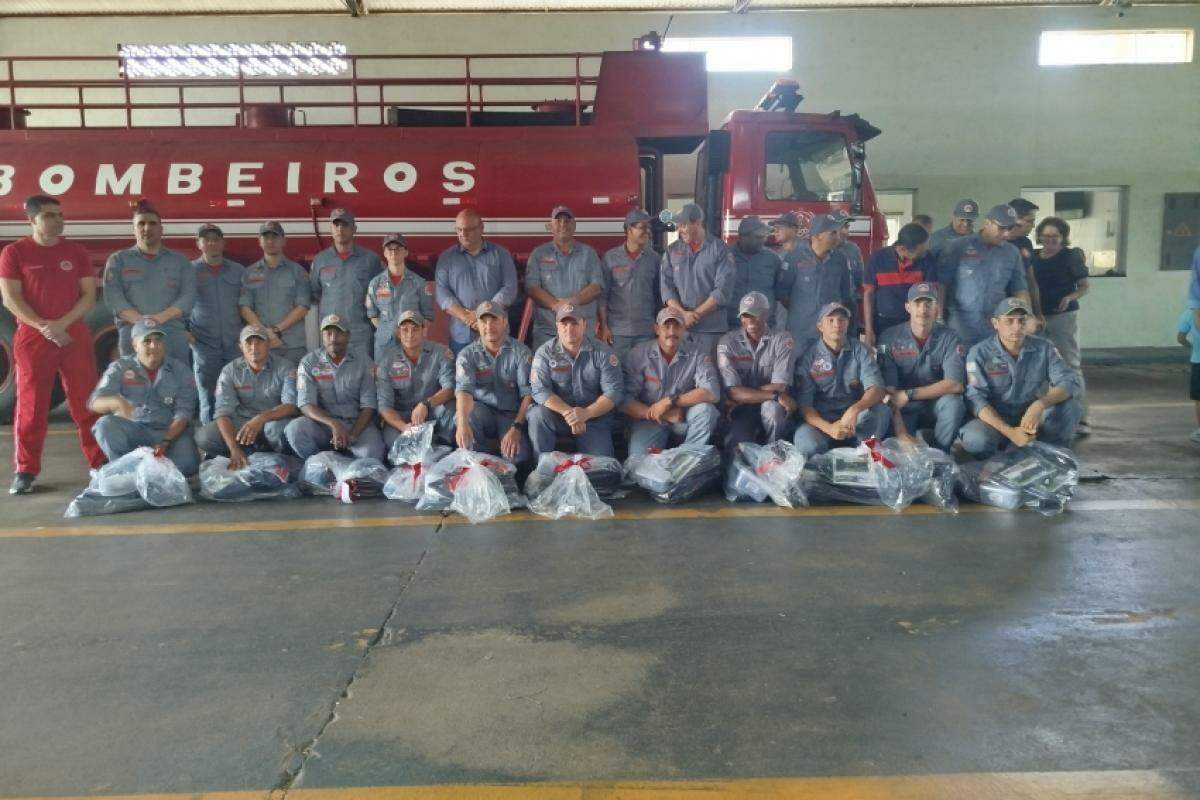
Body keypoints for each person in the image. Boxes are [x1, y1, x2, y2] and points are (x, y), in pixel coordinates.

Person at [0, 194, 106, 494]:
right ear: (32, 219)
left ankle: (98, 463)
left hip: (73, 335)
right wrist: (44, 327)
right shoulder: (15, 253)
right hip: (34, 338)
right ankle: (25, 470)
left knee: (85, 402)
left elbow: (87, 296)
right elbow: (11, 298)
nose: (59, 220)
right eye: (50, 215)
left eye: (60, 214)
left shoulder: (76, 251)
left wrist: (61, 324)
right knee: (31, 407)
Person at [959, 297, 1082, 458]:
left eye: (1022, 321)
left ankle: (1050, 456)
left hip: (1030, 419)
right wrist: (1010, 432)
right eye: (1009, 321)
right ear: (995, 323)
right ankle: (994, 462)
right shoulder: (979, 353)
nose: (1016, 327)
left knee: (1070, 407)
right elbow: (975, 399)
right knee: (976, 439)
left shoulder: (1044, 348)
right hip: (994, 421)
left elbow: (1069, 382)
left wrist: (1039, 405)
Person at [89, 318, 199, 476]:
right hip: (135, 430)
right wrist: (117, 402)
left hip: (168, 432)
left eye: (158, 340)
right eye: (147, 341)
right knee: (104, 425)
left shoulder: (180, 370)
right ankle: (126, 470)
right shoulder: (120, 367)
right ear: (135, 345)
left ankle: (146, 471)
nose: (153, 346)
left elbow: (184, 413)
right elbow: (95, 402)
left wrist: (166, 441)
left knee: (187, 466)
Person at [792, 302, 889, 458]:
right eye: (830, 320)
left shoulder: (860, 350)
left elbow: (877, 389)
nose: (837, 324)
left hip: (854, 422)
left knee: (882, 411)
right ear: (820, 326)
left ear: (847, 324)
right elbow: (805, 406)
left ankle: (863, 451)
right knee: (806, 444)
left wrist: (855, 409)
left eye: (842, 320)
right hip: (821, 424)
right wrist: (829, 428)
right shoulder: (808, 358)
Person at [877, 283, 966, 452]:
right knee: (902, 450)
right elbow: (889, 392)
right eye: (917, 303)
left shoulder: (951, 337)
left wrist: (909, 394)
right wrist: (902, 434)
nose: (923, 309)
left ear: (937, 308)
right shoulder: (889, 337)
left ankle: (941, 455)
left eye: (928, 304)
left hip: (934, 403)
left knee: (954, 405)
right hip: (902, 409)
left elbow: (955, 384)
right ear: (908, 307)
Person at [194, 325, 298, 467]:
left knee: (279, 430)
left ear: (269, 344)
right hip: (243, 423)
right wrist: (234, 449)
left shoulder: (286, 367)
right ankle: (246, 455)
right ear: (241, 347)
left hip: (273, 422)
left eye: (259, 341)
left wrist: (261, 418)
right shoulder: (230, 370)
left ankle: (279, 461)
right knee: (204, 436)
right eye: (248, 342)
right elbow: (223, 412)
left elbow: (291, 406)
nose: (254, 347)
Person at [284, 314, 385, 461]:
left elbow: (369, 405)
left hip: (358, 425)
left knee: (371, 455)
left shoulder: (364, 361)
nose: (333, 338)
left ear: (348, 335)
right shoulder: (309, 362)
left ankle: (347, 464)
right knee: (294, 430)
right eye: (328, 333)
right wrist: (333, 423)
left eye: (338, 333)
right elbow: (305, 404)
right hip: (324, 425)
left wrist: (352, 435)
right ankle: (321, 464)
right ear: (322, 336)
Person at [622, 307, 721, 456]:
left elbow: (712, 392)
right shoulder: (638, 354)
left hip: (682, 417)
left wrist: (670, 401)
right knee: (638, 466)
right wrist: (661, 413)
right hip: (648, 421)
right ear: (656, 329)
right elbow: (625, 401)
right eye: (666, 326)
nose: (672, 331)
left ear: (684, 329)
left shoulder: (697, 353)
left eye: (677, 326)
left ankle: (687, 463)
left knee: (706, 411)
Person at [103, 200, 195, 361]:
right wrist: (142, 322)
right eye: (141, 224)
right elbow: (113, 298)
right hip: (133, 332)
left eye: (152, 223)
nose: (147, 228)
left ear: (161, 229)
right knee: (134, 383)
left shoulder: (180, 261)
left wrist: (159, 319)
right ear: (134, 229)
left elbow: (188, 296)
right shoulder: (118, 260)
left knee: (176, 382)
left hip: (171, 333)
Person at [528, 304, 623, 458]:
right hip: (558, 416)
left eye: (574, 323)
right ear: (557, 326)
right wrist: (569, 413)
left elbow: (614, 392)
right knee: (536, 414)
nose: (569, 328)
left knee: (601, 468)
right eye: (564, 324)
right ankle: (541, 467)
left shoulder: (603, 352)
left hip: (593, 419)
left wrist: (586, 413)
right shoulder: (544, 353)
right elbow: (539, 390)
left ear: (584, 325)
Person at [935, 204, 1030, 347]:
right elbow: (942, 283)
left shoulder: (1012, 252)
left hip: (997, 324)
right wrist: (938, 318)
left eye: (1010, 229)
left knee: (996, 366)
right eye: (1001, 228)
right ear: (987, 223)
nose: (1006, 234)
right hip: (961, 324)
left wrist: (1027, 317)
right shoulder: (958, 247)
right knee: (960, 365)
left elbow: (1020, 288)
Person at [453, 301, 533, 464]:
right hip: (483, 413)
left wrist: (517, 427)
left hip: (511, 416)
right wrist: (462, 424)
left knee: (517, 459)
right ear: (477, 324)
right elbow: (464, 392)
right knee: (466, 417)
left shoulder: (521, 352)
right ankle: (482, 463)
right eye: (483, 321)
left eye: (494, 320)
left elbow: (529, 394)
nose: (488, 326)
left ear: (504, 322)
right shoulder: (466, 355)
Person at [1032, 217, 1091, 435]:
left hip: (1063, 317)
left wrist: (1070, 296)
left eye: (1054, 237)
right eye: (1045, 236)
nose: (1049, 241)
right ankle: (1041, 416)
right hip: (1038, 317)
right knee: (1038, 367)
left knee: (1069, 364)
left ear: (1063, 237)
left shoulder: (1070, 256)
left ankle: (1081, 418)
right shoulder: (1034, 258)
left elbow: (1085, 286)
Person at [717, 292, 796, 452]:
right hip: (742, 408)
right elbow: (733, 392)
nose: (751, 320)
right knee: (736, 448)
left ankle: (775, 454)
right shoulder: (728, 342)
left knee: (772, 410)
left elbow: (781, 386)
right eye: (746, 315)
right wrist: (774, 395)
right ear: (740, 318)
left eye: (756, 314)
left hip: (772, 407)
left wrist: (746, 394)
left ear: (766, 314)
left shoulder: (782, 339)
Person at [435, 209, 519, 355]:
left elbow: (510, 288)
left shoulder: (501, 254)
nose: (463, 234)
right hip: (461, 335)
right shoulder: (446, 258)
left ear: (481, 227)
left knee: (500, 376)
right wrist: (465, 316)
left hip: (496, 334)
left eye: (468, 229)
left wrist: (482, 314)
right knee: (463, 377)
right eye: (459, 229)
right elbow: (442, 293)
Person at [660, 203, 735, 358]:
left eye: (684, 225)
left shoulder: (719, 249)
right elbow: (666, 288)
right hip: (681, 329)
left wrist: (694, 315)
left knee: (709, 377)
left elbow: (722, 290)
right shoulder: (672, 250)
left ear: (698, 223)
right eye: (678, 226)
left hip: (711, 331)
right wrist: (683, 314)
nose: (680, 230)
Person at [525, 206, 605, 349]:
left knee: (584, 371)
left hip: (582, 332)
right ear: (550, 226)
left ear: (574, 225)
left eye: (567, 221)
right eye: (558, 221)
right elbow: (532, 287)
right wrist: (556, 306)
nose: (563, 224)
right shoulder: (538, 254)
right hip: (548, 331)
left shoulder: (588, 254)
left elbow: (596, 287)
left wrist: (572, 302)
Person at [376, 310, 456, 449]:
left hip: (430, 412)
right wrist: (404, 427)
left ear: (424, 331)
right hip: (401, 418)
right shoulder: (386, 361)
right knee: (396, 445)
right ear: (399, 334)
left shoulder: (441, 352)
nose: (410, 334)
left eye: (415, 329)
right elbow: (384, 406)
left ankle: (444, 447)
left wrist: (426, 404)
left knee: (451, 409)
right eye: (405, 330)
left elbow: (449, 389)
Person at [309, 208, 382, 359]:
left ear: (354, 229)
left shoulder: (370, 260)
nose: (340, 229)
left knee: (364, 378)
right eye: (336, 225)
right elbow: (315, 294)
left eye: (345, 225)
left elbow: (381, 297)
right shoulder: (320, 260)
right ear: (331, 228)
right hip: (331, 337)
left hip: (361, 336)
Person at [189, 223, 244, 424]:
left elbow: (246, 304)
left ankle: (236, 440)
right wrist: (187, 334)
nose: (212, 243)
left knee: (236, 395)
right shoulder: (190, 271)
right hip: (204, 346)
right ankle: (210, 446)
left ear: (223, 243)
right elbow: (179, 304)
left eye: (216, 238)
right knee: (208, 397)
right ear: (199, 244)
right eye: (206, 239)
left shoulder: (238, 271)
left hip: (234, 345)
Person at [238, 221, 311, 366]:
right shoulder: (250, 273)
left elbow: (303, 307)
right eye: (266, 237)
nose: (270, 241)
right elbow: (244, 308)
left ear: (284, 241)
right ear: (259, 241)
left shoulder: (298, 272)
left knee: (293, 386)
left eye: (275, 237)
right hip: (261, 346)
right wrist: (265, 333)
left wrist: (276, 330)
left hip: (292, 346)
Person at [780, 213, 856, 352]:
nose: (838, 236)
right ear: (817, 235)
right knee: (798, 369)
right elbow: (783, 293)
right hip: (801, 330)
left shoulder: (840, 259)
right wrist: (803, 309)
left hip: (830, 332)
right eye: (833, 233)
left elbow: (846, 295)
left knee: (828, 370)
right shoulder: (794, 257)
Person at [599, 208, 659, 359]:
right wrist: (604, 327)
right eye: (642, 227)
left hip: (646, 332)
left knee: (644, 378)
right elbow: (602, 296)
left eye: (648, 227)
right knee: (618, 375)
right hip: (617, 333)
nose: (647, 231)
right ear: (628, 230)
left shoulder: (654, 259)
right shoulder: (610, 258)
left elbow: (659, 296)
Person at [365, 233, 434, 362]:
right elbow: (373, 315)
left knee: (413, 379)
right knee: (383, 379)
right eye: (389, 249)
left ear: (406, 252)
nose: (393, 252)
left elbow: (427, 317)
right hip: (385, 344)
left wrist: (411, 334)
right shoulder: (375, 284)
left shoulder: (419, 283)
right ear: (384, 253)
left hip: (411, 344)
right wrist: (388, 330)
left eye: (398, 248)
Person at [862, 222, 933, 347]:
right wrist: (869, 331)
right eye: (920, 251)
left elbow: (931, 297)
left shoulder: (927, 260)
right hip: (883, 323)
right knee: (885, 360)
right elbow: (868, 294)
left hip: (914, 323)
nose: (924, 253)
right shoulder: (878, 259)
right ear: (903, 249)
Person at [728, 216, 789, 329]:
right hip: (732, 326)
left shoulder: (773, 259)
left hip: (764, 326)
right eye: (759, 236)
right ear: (743, 236)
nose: (763, 240)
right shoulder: (725, 257)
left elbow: (781, 291)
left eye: (764, 236)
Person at [1006, 198, 1045, 325]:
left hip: (1023, 307)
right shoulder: (997, 243)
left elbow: (1031, 281)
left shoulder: (1025, 242)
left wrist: (1038, 313)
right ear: (1015, 220)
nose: (1033, 225)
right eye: (1030, 221)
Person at [1177, 306, 1200, 445]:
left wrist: (1192, 347)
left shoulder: (1189, 313)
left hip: (1199, 361)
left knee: (1199, 398)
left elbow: (1180, 338)